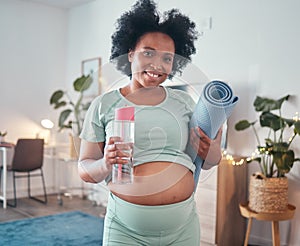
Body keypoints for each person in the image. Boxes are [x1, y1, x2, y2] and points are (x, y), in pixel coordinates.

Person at [78, 0, 222, 245]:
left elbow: (209, 163)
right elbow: (84, 169)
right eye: (148, 53)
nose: (158, 65)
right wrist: (105, 162)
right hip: (125, 230)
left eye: (167, 58)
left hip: (183, 228)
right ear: (130, 53)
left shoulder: (185, 101)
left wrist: (212, 151)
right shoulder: (104, 104)